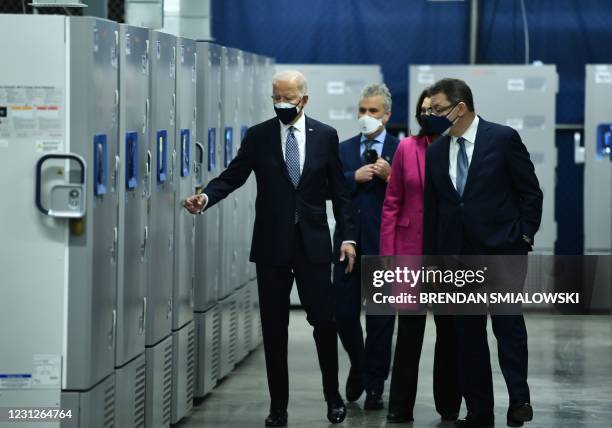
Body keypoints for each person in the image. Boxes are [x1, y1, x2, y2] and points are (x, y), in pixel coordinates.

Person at [183, 70, 357, 427]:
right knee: (274, 328)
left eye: (288, 98)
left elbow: (340, 193)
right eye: (276, 97)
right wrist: (205, 196)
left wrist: (349, 238)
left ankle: (333, 396)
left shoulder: (325, 136)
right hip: (271, 246)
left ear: (304, 99)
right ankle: (278, 408)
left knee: (324, 323)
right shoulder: (260, 136)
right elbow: (233, 175)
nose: (281, 104)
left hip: (313, 245)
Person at [423, 78, 543, 428]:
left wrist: (523, 236)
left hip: (502, 251)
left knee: (508, 328)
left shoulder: (502, 139)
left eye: (437, 109)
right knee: (467, 338)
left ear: (460, 108)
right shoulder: (435, 151)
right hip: (456, 257)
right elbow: (434, 210)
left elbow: (530, 192)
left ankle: (519, 400)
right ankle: (479, 412)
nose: (430, 115)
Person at [379, 88, 462, 424]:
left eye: (434, 109)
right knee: (409, 333)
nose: (428, 114)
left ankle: (449, 405)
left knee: (449, 333)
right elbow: (392, 201)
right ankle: (400, 406)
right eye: (423, 109)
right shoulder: (405, 148)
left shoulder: (457, 149)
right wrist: (387, 252)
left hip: (446, 252)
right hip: (410, 251)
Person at [332, 83, 398, 410]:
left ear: (387, 115)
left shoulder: (401, 151)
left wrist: (390, 176)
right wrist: (351, 176)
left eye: (373, 111)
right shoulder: (342, 150)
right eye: (362, 110)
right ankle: (359, 364)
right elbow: (326, 188)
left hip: (384, 246)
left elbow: (418, 195)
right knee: (343, 314)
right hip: (347, 244)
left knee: (381, 319)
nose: (366, 117)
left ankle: (374, 385)